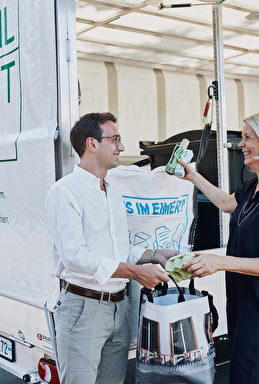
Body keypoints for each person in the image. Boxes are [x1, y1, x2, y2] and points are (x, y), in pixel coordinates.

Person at [46, 112, 178, 384]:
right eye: (115, 139)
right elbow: (74, 258)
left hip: (119, 308)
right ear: (92, 143)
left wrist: (154, 255)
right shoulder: (64, 192)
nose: (122, 147)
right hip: (83, 308)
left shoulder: (113, 191)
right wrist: (134, 273)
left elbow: (119, 250)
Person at [177, 112, 259, 384]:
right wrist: (193, 176)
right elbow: (224, 202)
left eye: (248, 138)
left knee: (249, 377)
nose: (240, 144)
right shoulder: (254, 187)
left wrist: (221, 261)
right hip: (244, 304)